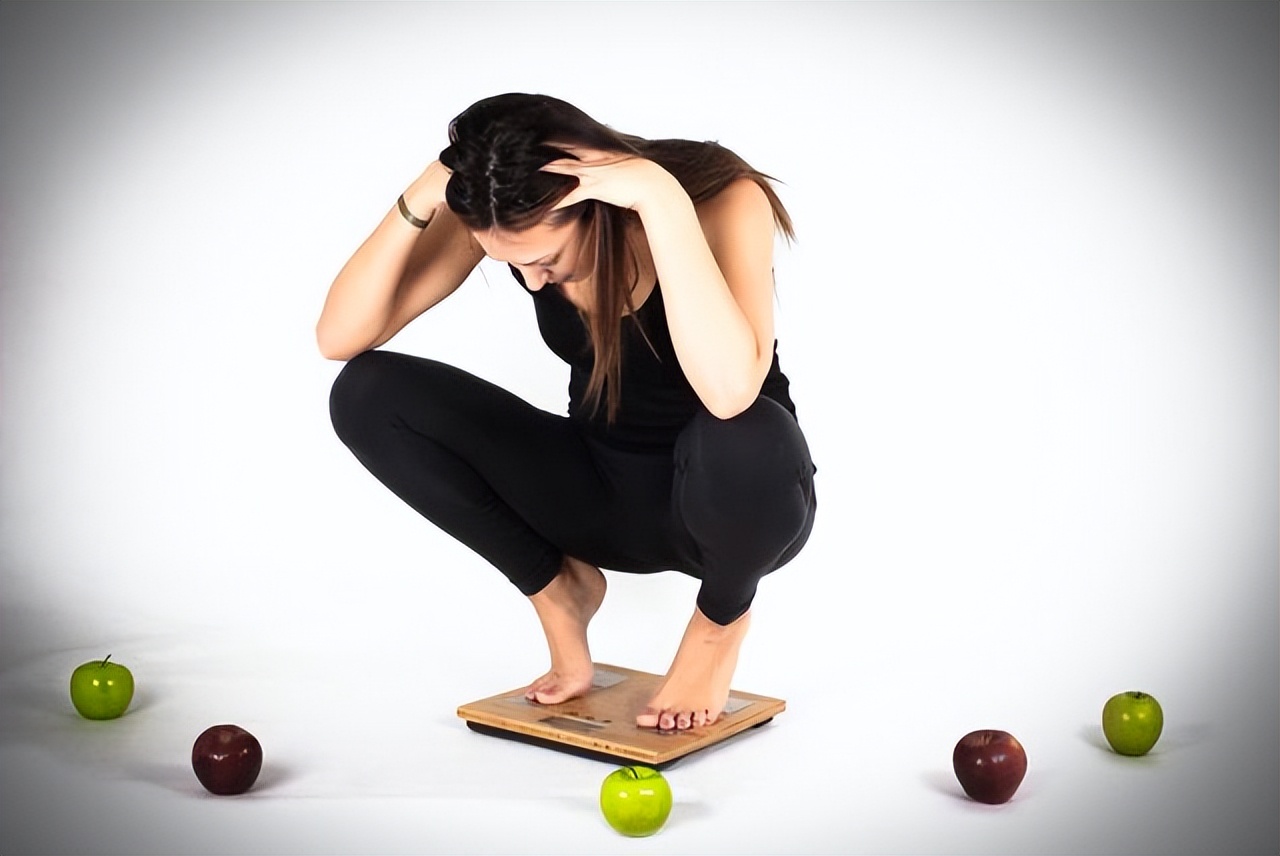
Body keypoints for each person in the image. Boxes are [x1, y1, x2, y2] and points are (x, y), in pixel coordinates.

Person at [318, 93, 816, 732]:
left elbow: (727, 392)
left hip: (735, 511)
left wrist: (659, 199)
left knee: (747, 428)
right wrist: (426, 189)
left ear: (588, 205)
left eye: (543, 261)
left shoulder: (723, 200)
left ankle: (719, 628)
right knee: (366, 392)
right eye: (513, 265)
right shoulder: (513, 221)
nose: (531, 282)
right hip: (596, 494)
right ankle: (560, 591)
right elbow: (339, 337)